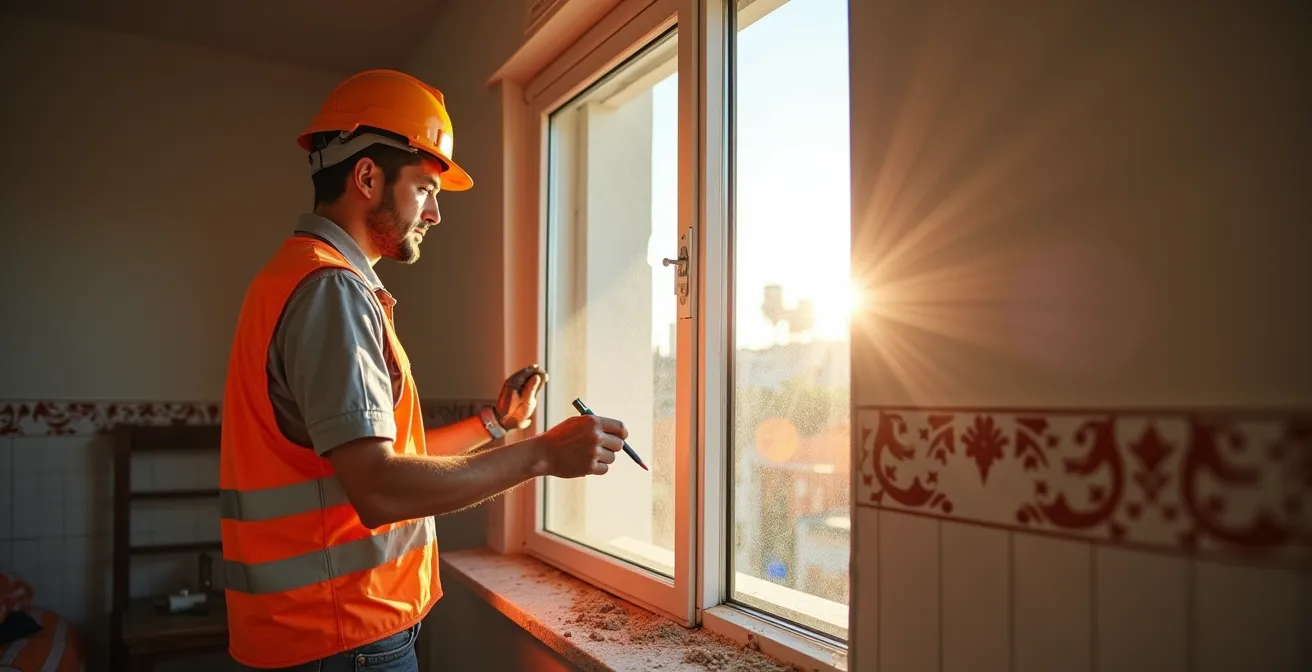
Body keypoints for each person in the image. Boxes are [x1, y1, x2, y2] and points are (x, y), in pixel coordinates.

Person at [218, 68, 629, 671]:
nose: (435, 213)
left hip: (318, 634)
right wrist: (541, 456)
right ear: (366, 177)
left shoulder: (296, 277)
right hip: (341, 638)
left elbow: (382, 459)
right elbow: (380, 489)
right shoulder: (332, 290)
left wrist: (495, 423)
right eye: (424, 188)